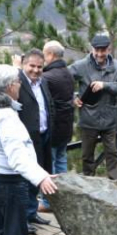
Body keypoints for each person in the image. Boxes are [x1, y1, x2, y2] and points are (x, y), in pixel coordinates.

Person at [0, 64, 58, 235]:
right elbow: (17, 157)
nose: (20, 85)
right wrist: (41, 177)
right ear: (10, 86)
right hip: (9, 184)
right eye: (18, 82)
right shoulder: (5, 116)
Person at [69, 34, 117, 179]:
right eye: (97, 50)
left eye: (103, 50)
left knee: (112, 153)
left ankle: (115, 183)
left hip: (110, 118)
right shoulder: (81, 65)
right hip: (89, 118)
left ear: (108, 50)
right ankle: (89, 183)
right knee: (87, 154)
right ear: (92, 49)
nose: (100, 54)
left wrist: (105, 85)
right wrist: (72, 97)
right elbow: (63, 78)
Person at [16, 49, 54, 226]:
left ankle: (32, 213)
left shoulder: (43, 82)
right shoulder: (16, 83)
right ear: (24, 64)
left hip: (43, 135)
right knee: (25, 179)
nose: (36, 70)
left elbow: (48, 105)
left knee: (37, 177)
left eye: (39, 67)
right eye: (32, 66)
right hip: (26, 139)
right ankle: (24, 217)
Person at [42, 41, 76, 177]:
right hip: (66, 125)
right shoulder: (68, 73)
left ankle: (50, 197)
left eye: (44, 55)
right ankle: (65, 191)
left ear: (51, 54)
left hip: (53, 127)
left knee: (50, 163)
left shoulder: (47, 77)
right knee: (61, 159)